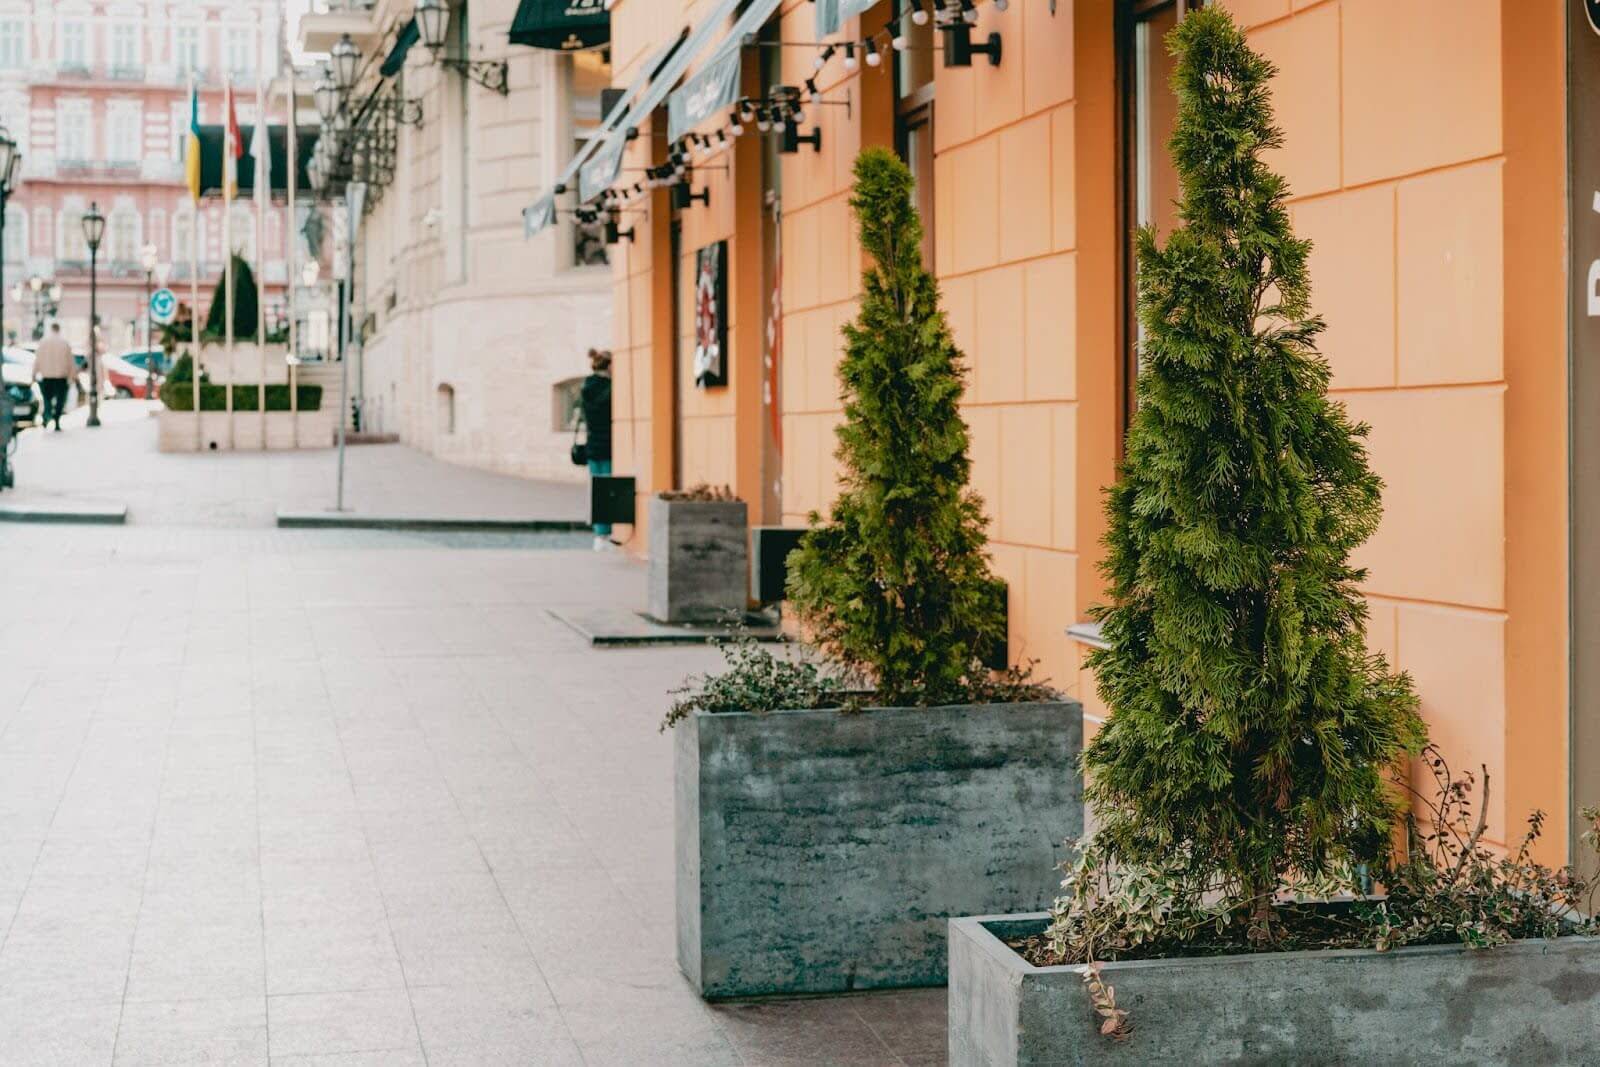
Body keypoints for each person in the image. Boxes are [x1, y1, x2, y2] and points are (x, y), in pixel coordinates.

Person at [579, 348, 614, 550]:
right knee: (609, 490)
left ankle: (599, 535)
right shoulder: (610, 388)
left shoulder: (586, 387)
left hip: (593, 446)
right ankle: (605, 533)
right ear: (608, 366)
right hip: (609, 445)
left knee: (597, 489)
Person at [32, 323, 74, 432]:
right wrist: (71, 376)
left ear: (51, 329)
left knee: (47, 399)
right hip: (61, 377)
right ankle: (57, 421)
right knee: (60, 400)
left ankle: (47, 417)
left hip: (47, 376)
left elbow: (37, 360)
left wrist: (33, 374)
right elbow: (70, 362)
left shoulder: (43, 342)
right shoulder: (64, 343)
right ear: (59, 329)